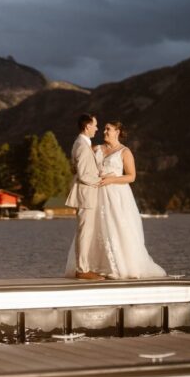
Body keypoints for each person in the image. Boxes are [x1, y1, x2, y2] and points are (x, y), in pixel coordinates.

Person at [92, 121, 167, 278]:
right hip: (97, 194)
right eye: (104, 129)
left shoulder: (124, 152)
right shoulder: (96, 149)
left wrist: (112, 179)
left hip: (117, 195)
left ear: (117, 131)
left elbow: (131, 176)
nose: (104, 131)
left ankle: (119, 267)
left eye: (108, 129)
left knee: (117, 226)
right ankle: (96, 266)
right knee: (97, 228)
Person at [63, 113, 108, 280]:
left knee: (85, 231)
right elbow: (82, 174)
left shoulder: (81, 143)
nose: (97, 128)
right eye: (95, 125)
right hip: (86, 194)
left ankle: (84, 267)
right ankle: (82, 269)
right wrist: (102, 179)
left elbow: (75, 169)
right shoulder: (82, 145)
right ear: (87, 126)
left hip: (86, 193)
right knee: (85, 232)